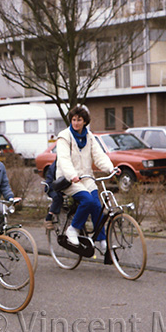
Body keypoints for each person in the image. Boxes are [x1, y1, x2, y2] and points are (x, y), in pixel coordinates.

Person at [55, 104, 119, 252]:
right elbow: (64, 160)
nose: (76, 123)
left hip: (86, 177)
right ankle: (73, 229)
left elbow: (98, 156)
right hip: (69, 179)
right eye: (74, 119)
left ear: (85, 122)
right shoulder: (64, 137)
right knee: (87, 200)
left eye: (79, 120)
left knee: (97, 205)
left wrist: (111, 168)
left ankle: (102, 240)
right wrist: (72, 175)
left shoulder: (89, 137)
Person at [43, 156, 63, 230]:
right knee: (58, 198)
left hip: (61, 187)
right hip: (51, 188)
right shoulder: (53, 167)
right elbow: (50, 180)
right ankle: (49, 217)